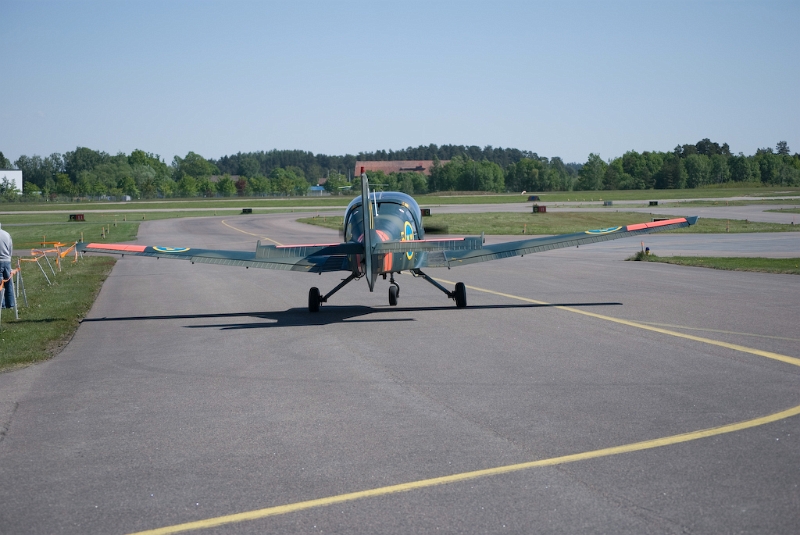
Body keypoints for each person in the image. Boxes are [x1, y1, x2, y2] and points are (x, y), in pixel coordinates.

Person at [0, 222, 15, 309]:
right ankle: (11, 304)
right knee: (8, 283)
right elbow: (10, 248)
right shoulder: (6, 234)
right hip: (6, 260)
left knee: (0, 283)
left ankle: (2, 304)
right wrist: (9, 257)